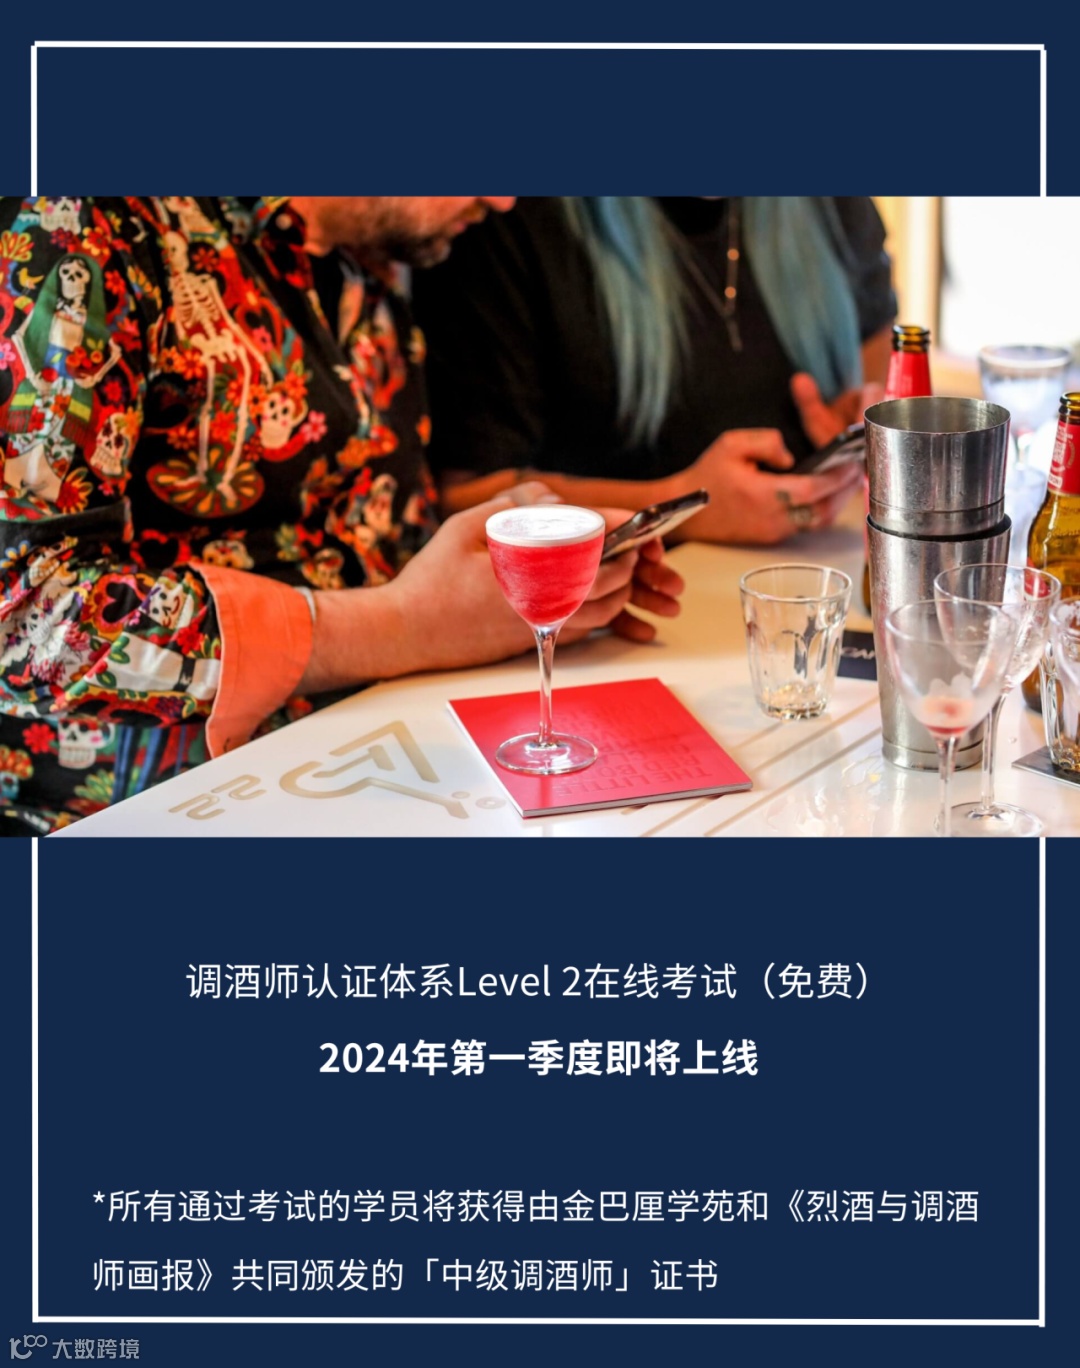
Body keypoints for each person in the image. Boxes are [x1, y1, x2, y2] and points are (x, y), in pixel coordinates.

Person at [0, 196, 682, 833]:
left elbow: (366, 531)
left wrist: (512, 575)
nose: (504, 200)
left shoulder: (373, 260)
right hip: (160, 807)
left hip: (388, 754)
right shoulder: (90, 229)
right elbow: (23, 618)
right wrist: (407, 627)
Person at [412, 196, 898, 543]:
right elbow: (464, 499)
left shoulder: (832, 205)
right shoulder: (506, 215)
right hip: (612, 614)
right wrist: (678, 505)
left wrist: (857, 415)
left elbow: (875, 345)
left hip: (812, 565)